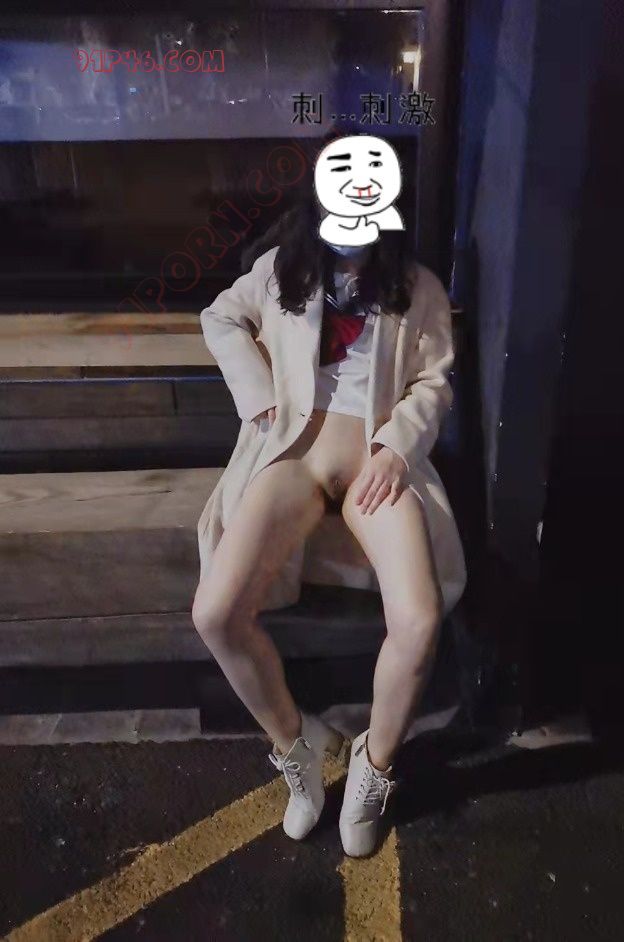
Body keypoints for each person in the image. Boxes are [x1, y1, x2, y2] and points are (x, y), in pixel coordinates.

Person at [192, 195, 467, 857]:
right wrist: (257, 394)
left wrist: (398, 446)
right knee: (216, 614)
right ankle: (298, 744)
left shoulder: (416, 284)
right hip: (294, 455)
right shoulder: (281, 268)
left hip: (376, 461)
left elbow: (434, 381)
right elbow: (220, 316)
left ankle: (375, 766)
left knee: (420, 620)